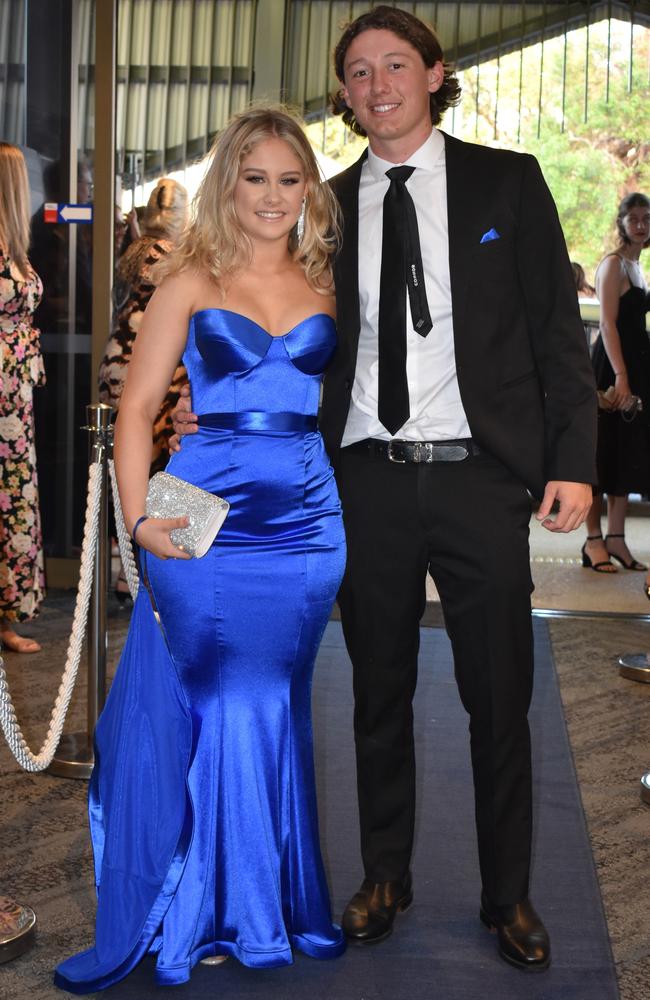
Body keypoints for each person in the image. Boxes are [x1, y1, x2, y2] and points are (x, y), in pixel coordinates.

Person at [173, 7, 596, 972]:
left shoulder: (508, 181)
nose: (376, 86)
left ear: (436, 73)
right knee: (378, 692)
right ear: (345, 93)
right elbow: (265, 307)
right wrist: (228, 407)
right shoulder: (322, 203)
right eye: (357, 72)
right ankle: (384, 878)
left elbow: (554, 333)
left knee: (500, 693)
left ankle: (508, 895)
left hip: (479, 478)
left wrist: (573, 460)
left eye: (394, 65)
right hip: (360, 479)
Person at [54, 106, 346, 992]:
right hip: (201, 508)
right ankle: (202, 907)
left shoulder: (326, 279)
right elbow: (138, 411)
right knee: (214, 698)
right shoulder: (188, 276)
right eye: (254, 177)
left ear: (309, 190)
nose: (271, 195)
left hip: (305, 518)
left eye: (289, 179)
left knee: (275, 702)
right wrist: (140, 522)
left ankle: (274, 901)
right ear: (228, 183)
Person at [99, 178, 189, 472]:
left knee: (123, 460)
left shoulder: (136, 247)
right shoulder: (170, 255)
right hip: (149, 366)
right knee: (150, 467)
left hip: (117, 361)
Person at [582, 193, 650, 574]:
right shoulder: (613, 265)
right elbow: (607, 324)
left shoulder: (638, 266)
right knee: (602, 454)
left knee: (628, 453)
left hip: (636, 369)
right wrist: (621, 375)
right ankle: (593, 541)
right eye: (634, 218)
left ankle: (617, 539)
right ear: (621, 223)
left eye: (647, 219)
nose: (641, 225)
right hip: (612, 370)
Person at [0, 142, 46, 654]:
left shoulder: (15, 245)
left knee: (13, 498)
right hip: (3, 391)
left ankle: (6, 617)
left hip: (16, 394)